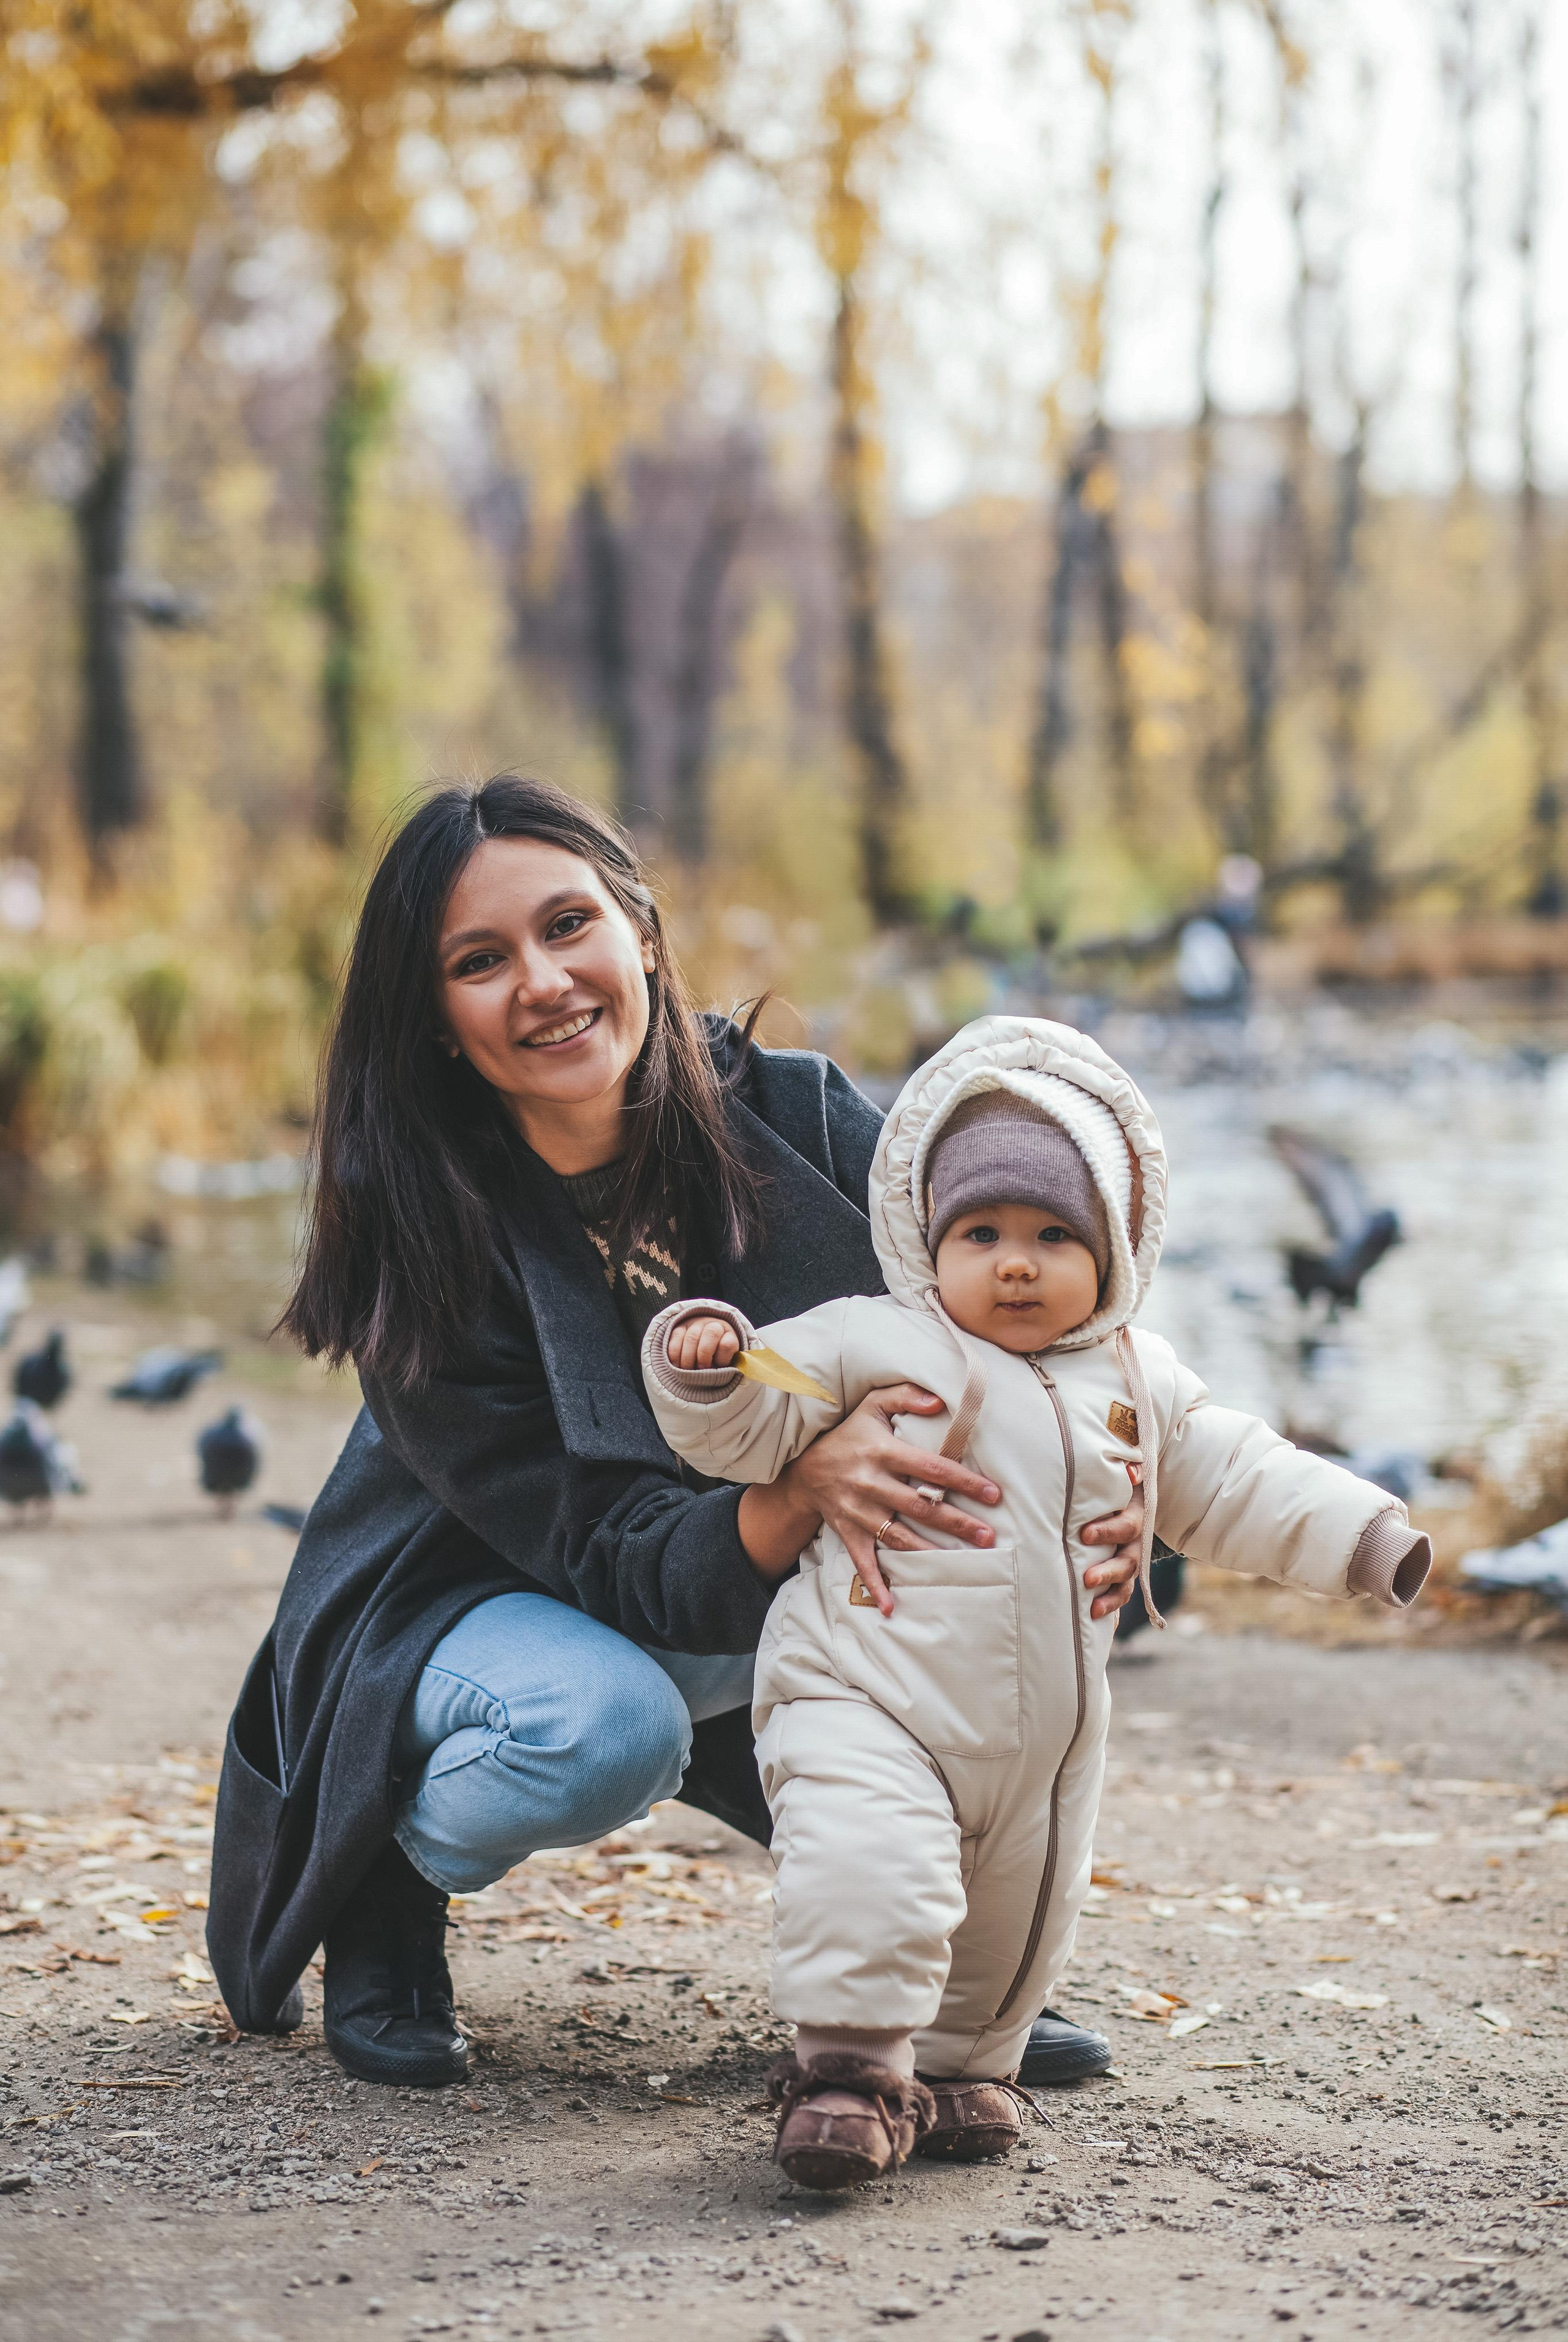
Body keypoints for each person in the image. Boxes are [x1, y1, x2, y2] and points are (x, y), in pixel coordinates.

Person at [205, 778, 1145, 2090]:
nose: (540, 981)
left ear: (640, 931)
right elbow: (598, 1544)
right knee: (606, 1728)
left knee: (962, 1545)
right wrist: (806, 1485)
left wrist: (1109, 1484)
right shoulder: (421, 1231)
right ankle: (384, 1877)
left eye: (567, 926)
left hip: (723, 1571)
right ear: (434, 1017)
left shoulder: (803, 1118)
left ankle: (932, 1965)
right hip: (465, 1605)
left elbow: (1010, 1320)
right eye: (480, 962)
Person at [643, 1014, 1433, 2190]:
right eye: (983, 1231)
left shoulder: (1137, 1383)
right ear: (928, 1239)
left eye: (1055, 1234)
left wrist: (1370, 1540)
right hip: (868, 1693)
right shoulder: (874, 1341)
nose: (1016, 1261)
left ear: (1114, 1250)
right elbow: (753, 1422)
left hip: (1044, 1744)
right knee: (873, 1868)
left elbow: (1236, 1475)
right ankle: (847, 2076)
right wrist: (701, 1360)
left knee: (1017, 1914)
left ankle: (960, 2073)